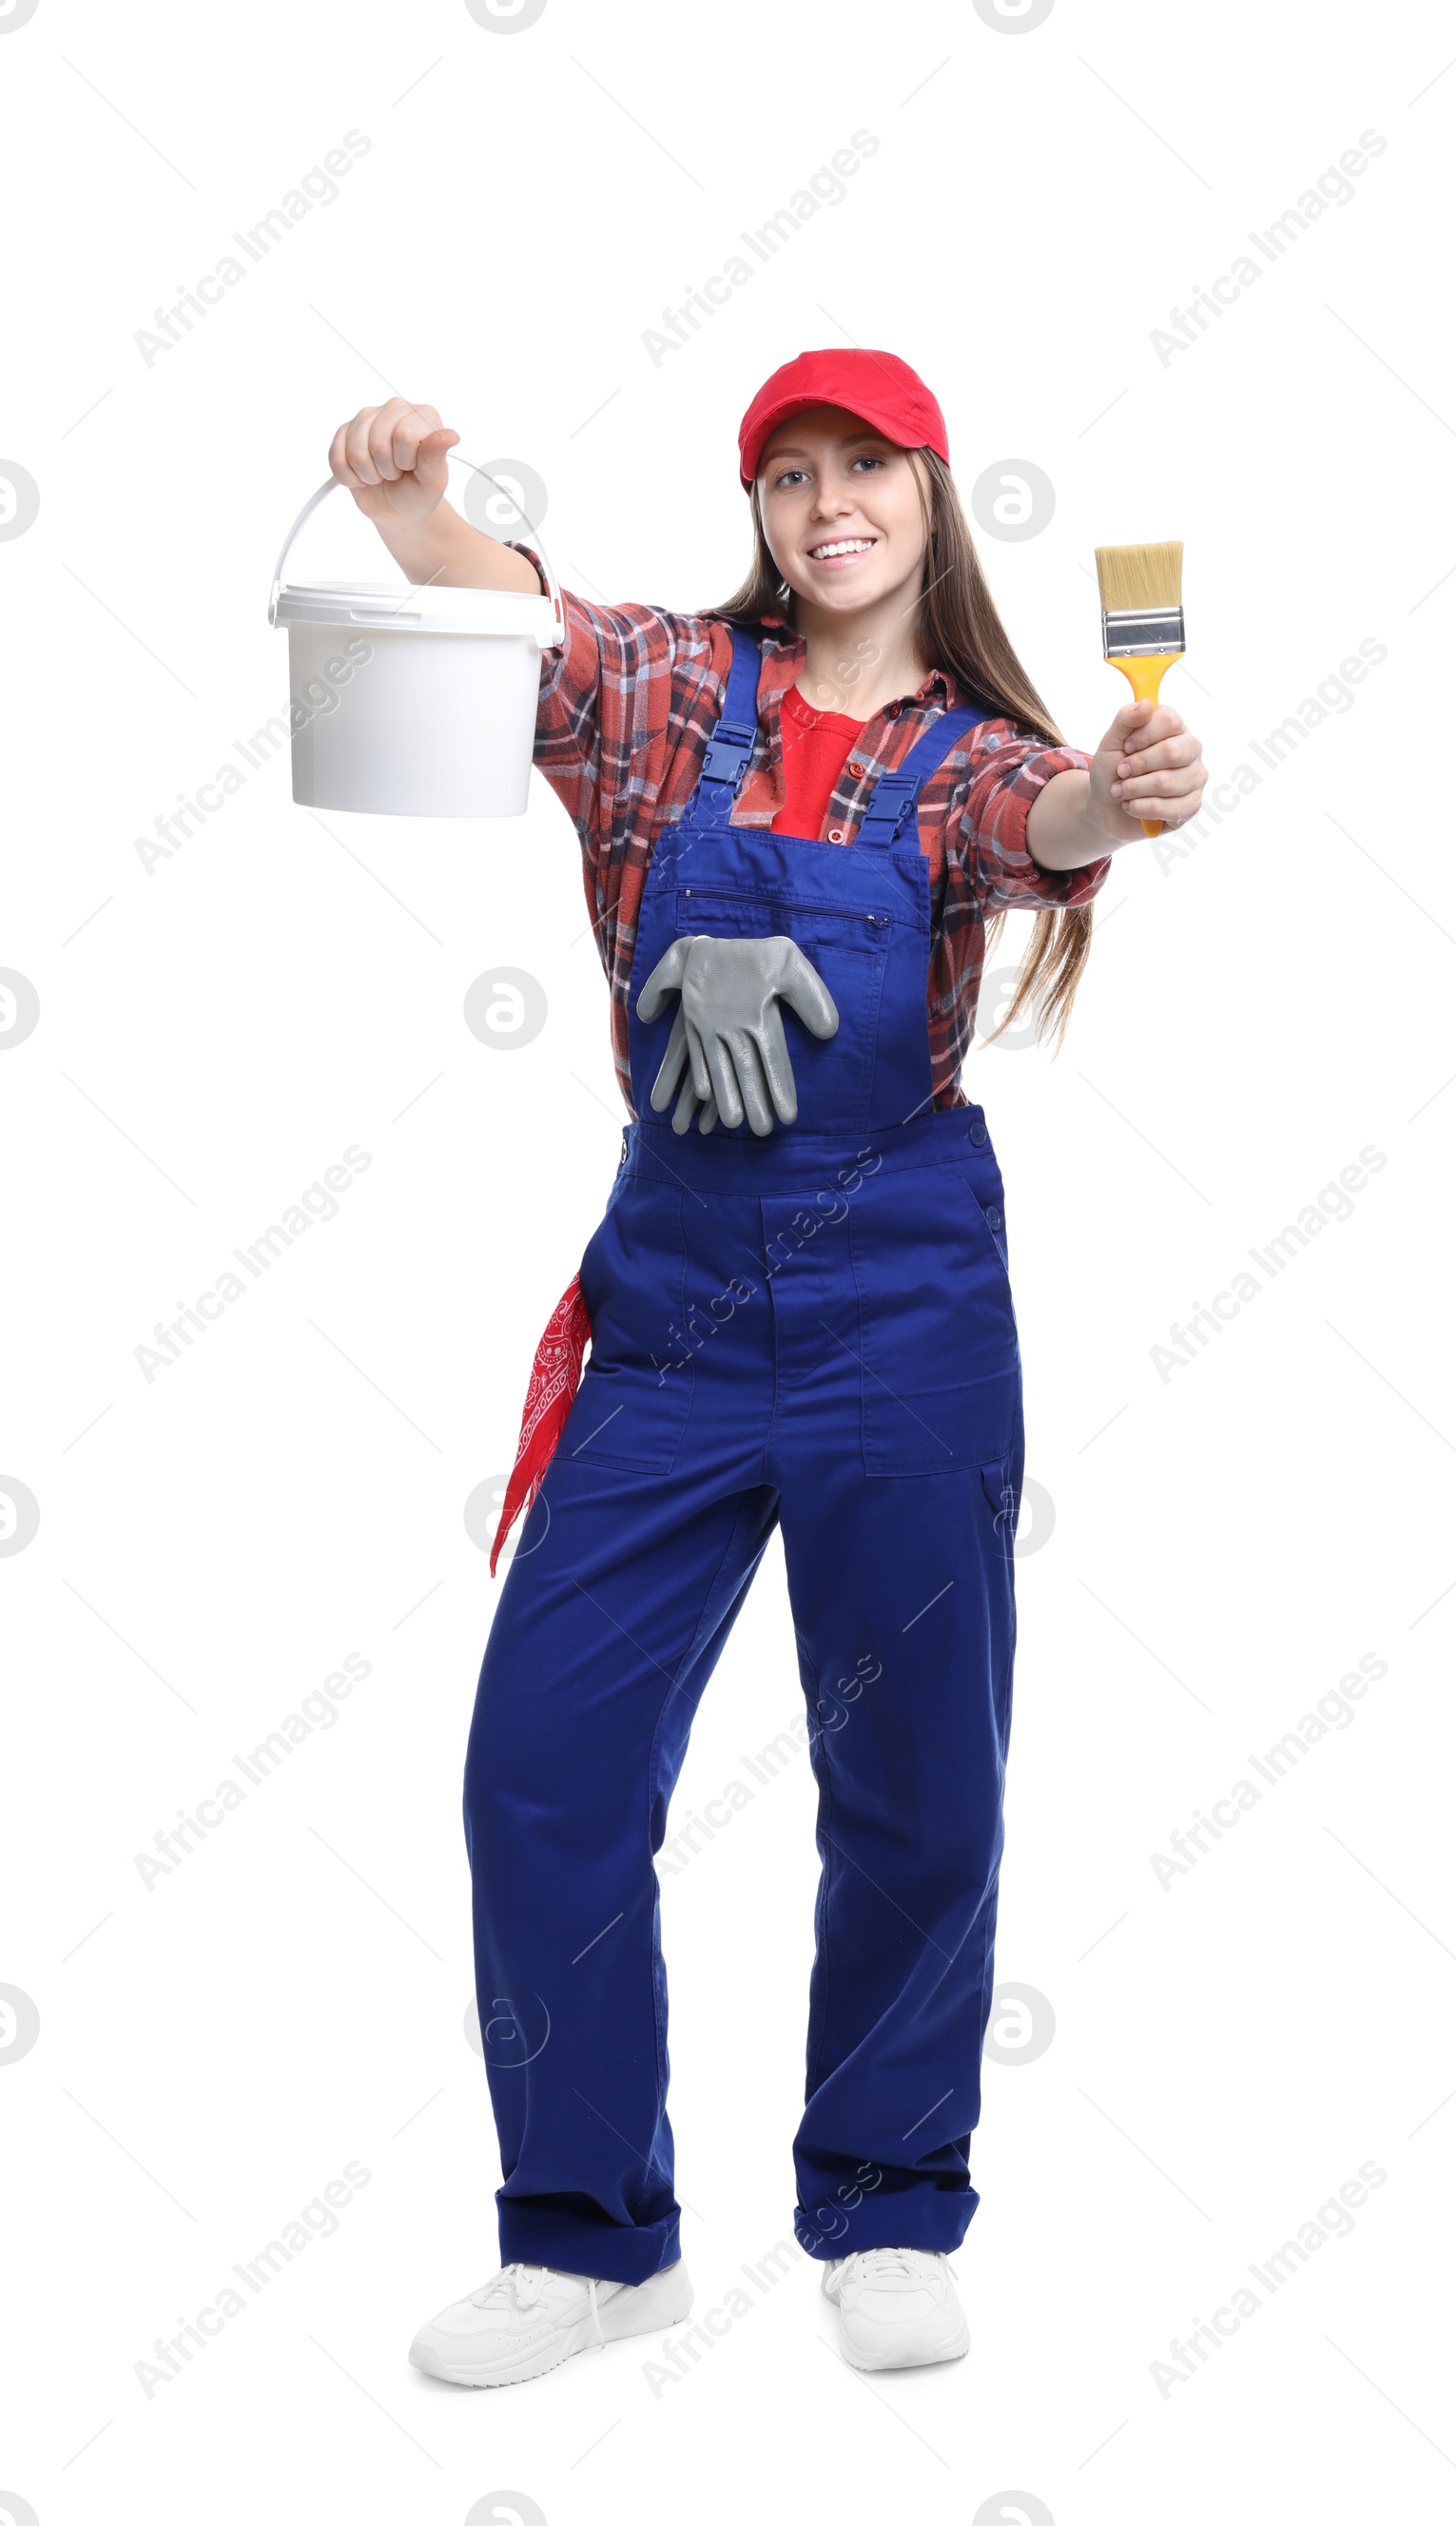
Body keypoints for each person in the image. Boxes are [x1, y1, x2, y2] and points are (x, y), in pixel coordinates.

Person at [324, 350, 1206, 2389]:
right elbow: (504, 615)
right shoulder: (661, 693)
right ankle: (585, 2231)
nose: (826, 504)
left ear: (925, 490)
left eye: (862, 469)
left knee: (908, 1775)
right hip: (677, 1318)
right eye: (787, 473)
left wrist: (1117, 789)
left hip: (903, 1311)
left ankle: (887, 2198)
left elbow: (1044, 813)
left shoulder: (969, 752)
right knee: (539, 1757)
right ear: (760, 505)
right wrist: (402, 513)